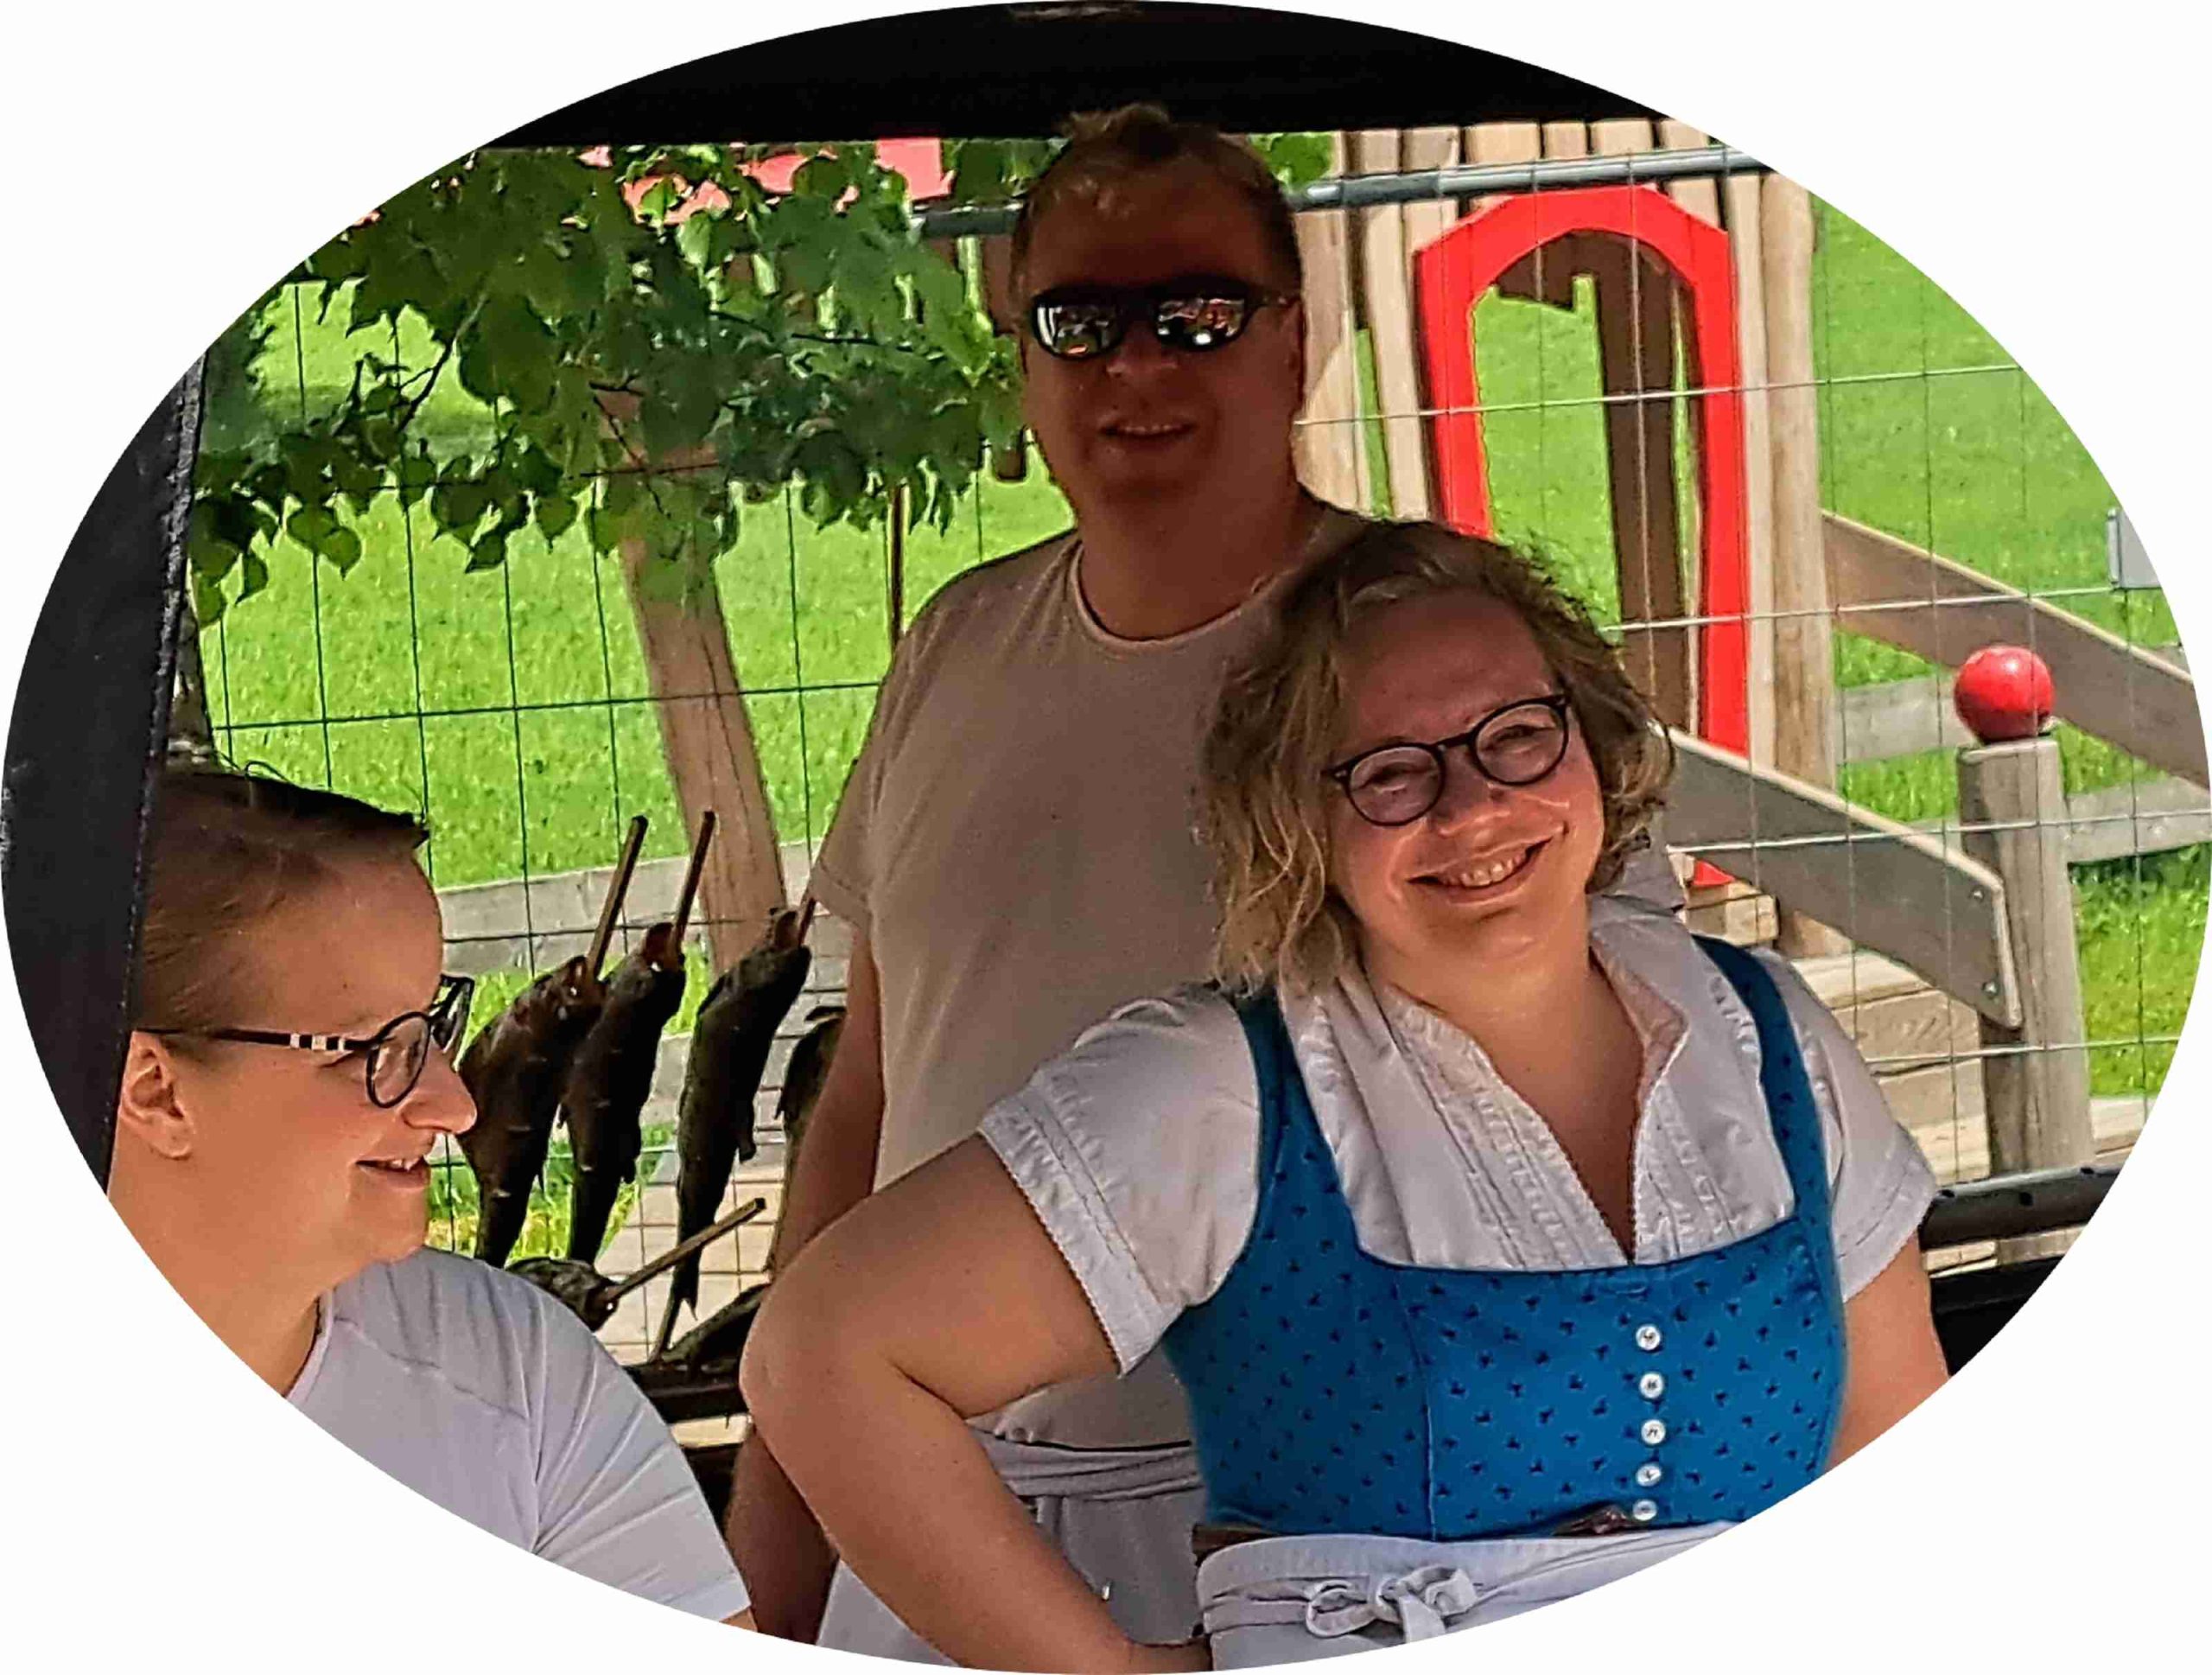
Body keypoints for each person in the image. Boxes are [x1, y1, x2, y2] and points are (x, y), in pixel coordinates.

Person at [726, 105, 1684, 1654]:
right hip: (922, 1480)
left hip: (1330, 1520)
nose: (1138, 366)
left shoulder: (1436, 666)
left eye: (1197, 315)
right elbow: (867, 1101)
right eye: (1081, 321)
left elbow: (1620, 1092)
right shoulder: (956, 645)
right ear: (1020, 352)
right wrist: (775, 1555)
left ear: (1291, 340)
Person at [743, 521, 1952, 1670]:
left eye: (1516, 736)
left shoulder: (1765, 1038)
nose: (1472, 807)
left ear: (1591, 743)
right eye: (1390, 774)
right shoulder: (1222, 1089)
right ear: (1301, 823)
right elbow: (825, 1355)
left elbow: (1892, 1457)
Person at [107, 765, 754, 1624]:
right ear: (156, 1091)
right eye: (372, 1051)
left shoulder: (516, 1372)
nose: (454, 1104)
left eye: (431, 1027)